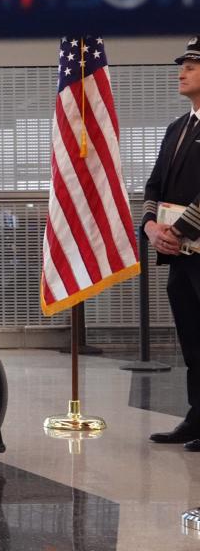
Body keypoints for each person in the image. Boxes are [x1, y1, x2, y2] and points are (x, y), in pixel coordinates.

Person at [143, 36, 200, 451]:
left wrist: (179, 228)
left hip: (189, 242)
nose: (181, 72)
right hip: (179, 255)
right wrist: (150, 227)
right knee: (192, 341)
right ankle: (197, 416)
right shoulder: (177, 128)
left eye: (192, 65)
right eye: (182, 65)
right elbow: (155, 185)